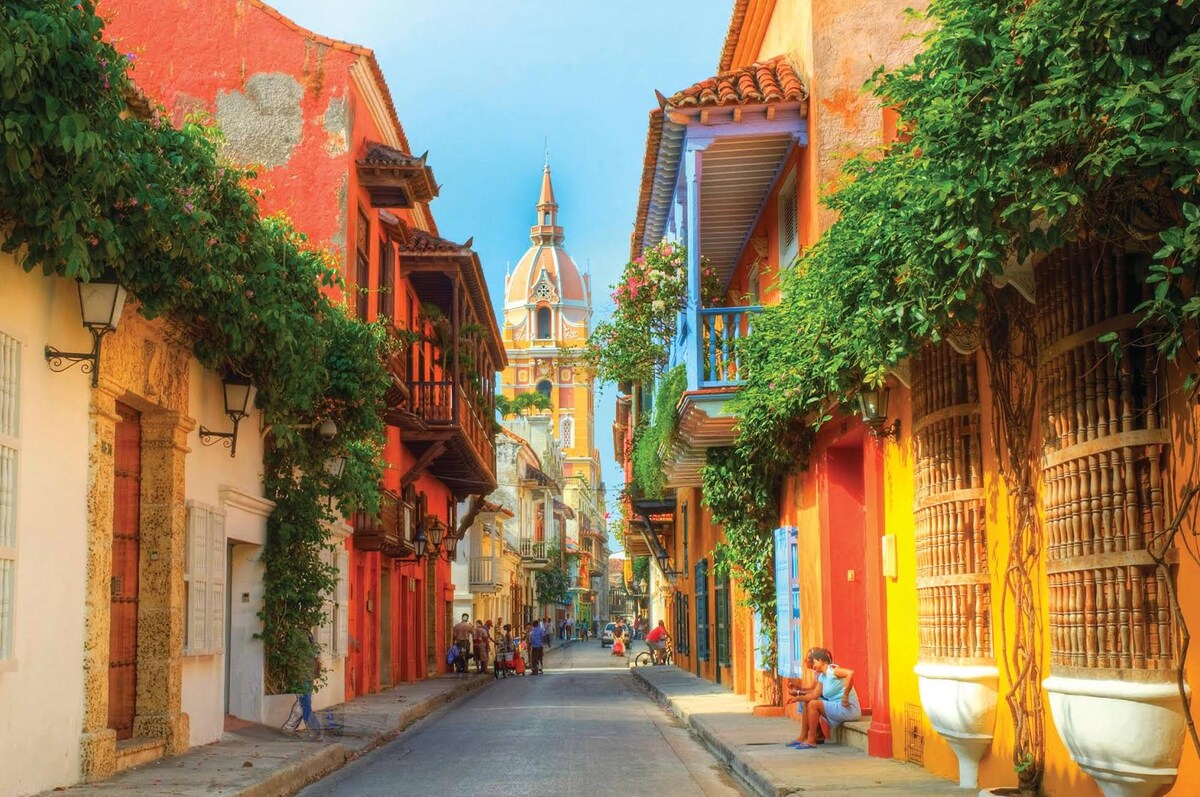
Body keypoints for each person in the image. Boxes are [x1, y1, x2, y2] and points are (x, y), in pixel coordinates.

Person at [792, 648, 860, 749]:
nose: (813, 665)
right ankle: (804, 736)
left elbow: (850, 673)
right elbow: (814, 694)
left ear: (820, 661)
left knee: (814, 704)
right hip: (836, 706)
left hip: (848, 708)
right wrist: (798, 698)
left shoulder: (833, 670)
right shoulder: (822, 677)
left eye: (814, 662)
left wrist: (845, 695)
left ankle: (811, 740)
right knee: (808, 701)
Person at [283, 631, 322, 737]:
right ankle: (313, 729)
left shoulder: (307, 635)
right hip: (302, 676)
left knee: (302, 703)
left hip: (306, 676)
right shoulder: (301, 637)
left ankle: (289, 727)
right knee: (305, 703)